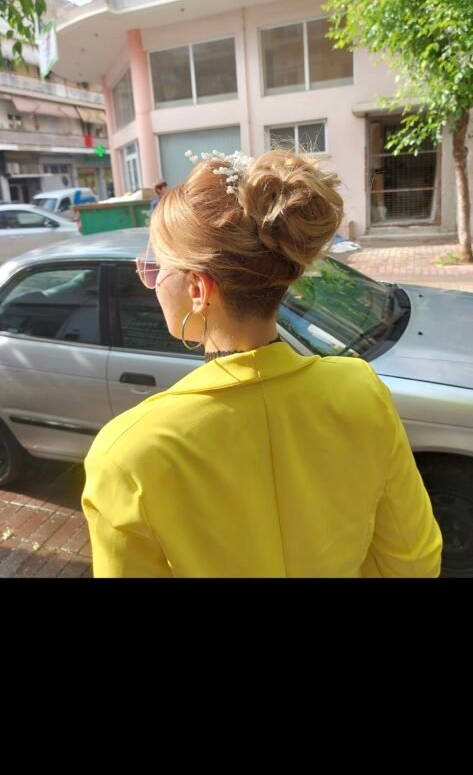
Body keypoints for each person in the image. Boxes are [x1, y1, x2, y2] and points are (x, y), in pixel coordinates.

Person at [82, 149, 442, 578]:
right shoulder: (361, 390)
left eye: (157, 266)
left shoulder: (127, 453)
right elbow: (415, 561)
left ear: (198, 289)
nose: (153, 279)